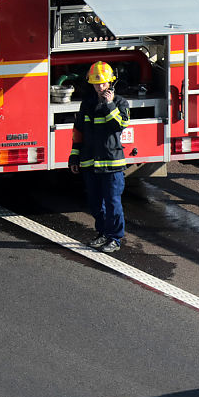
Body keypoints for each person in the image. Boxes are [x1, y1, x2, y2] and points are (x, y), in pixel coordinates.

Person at [70, 61, 130, 254]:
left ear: (111, 83)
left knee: (113, 203)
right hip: (90, 163)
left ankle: (115, 238)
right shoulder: (87, 104)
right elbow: (78, 132)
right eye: (96, 84)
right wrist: (74, 156)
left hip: (112, 164)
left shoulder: (120, 103)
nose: (99, 87)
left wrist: (109, 104)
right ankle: (103, 233)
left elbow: (118, 126)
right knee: (96, 204)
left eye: (102, 84)